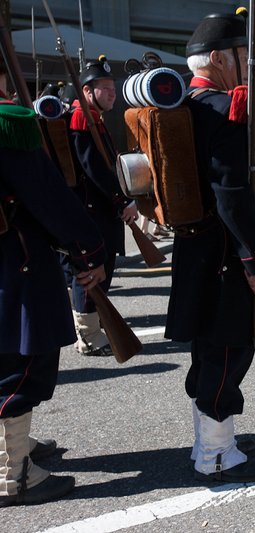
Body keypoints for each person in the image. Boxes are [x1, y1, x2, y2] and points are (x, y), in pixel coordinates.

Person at [167, 11, 255, 483]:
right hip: (227, 252)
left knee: (207, 349)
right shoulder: (220, 109)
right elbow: (232, 194)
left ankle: (213, 440)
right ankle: (215, 456)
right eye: (241, 54)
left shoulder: (183, 105)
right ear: (217, 58)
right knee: (229, 350)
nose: (247, 62)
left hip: (196, 248)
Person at [0, 58, 107, 506]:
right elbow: (48, 196)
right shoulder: (8, 124)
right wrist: (88, 249)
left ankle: (15, 449)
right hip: (14, 264)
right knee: (20, 365)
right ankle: (14, 475)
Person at [67, 55, 138, 356]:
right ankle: (88, 337)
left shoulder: (94, 119)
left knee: (101, 270)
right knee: (90, 273)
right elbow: (94, 168)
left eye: (112, 87)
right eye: (104, 88)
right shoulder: (82, 119)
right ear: (86, 91)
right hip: (91, 211)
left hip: (100, 212)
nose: (112, 93)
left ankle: (93, 330)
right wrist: (122, 200)